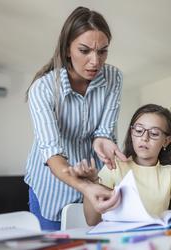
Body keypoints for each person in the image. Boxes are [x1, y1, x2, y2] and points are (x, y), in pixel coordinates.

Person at [24, 6, 127, 230]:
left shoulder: (113, 78)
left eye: (102, 52)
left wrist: (103, 141)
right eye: (85, 50)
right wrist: (85, 187)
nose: (95, 62)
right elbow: (52, 154)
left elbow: (103, 132)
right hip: (50, 185)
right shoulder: (43, 89)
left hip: (95, 179)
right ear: (68, 49)